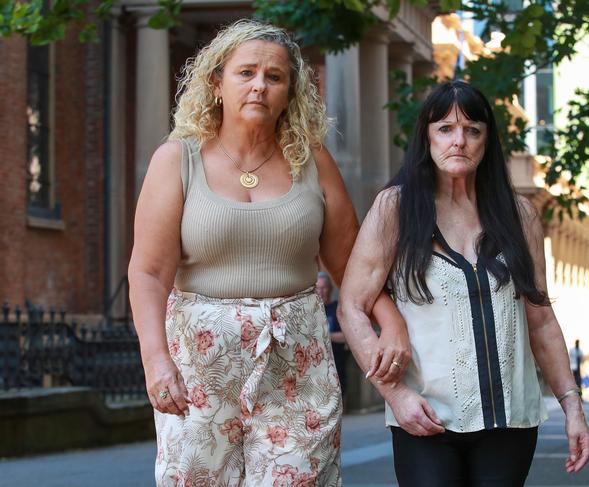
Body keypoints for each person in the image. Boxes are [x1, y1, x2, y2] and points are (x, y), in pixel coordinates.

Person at [128, 19, 410, 486]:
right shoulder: (178, 159)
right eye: (246, 73)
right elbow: (148, 272)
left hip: (296, 363)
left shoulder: (312, 160)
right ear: (216, 83)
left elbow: (352, 264)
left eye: (274, 77)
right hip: (201, 368)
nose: (260, 85)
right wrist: (155, 361)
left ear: (289, 93)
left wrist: (391, 318)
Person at [338, 80, 589, 486]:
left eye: (472, 130)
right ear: (427, 136)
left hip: (510, 421)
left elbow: (541, 320)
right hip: (426, 417)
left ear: (487, 141)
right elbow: (351, 306)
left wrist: (573, 408)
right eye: (446, 128)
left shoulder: (519, 215)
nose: (459, 141)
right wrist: (396, 396)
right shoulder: (396, 209)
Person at [315, 272, 347, 398]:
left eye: (324, 288)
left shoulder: (337, 309)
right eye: (318, 288)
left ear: (330, 289)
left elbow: (346, 336)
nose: (321, 292)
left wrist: (325, 336)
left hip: (336, 361)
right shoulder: (312, 311)